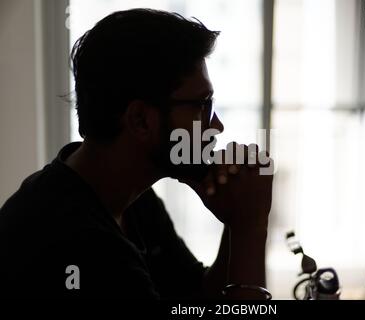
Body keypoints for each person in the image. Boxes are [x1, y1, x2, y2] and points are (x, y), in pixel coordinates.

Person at [0, 8, 273, 299]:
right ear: (140, 120)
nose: (216, 125)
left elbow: (195, 296)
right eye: (201, 105)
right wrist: (250, 229)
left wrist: (235, 223)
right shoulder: (74, 240)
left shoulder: (130, 200)